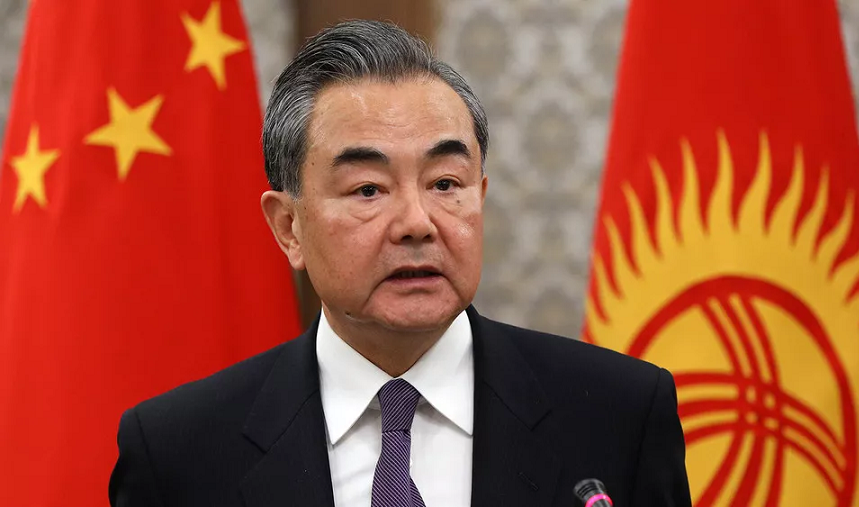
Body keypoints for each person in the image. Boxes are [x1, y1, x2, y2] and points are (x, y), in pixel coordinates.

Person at [108, 19, 691, 507]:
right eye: (368, 189)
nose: (417, 222)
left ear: (481, 196)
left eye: (445, 183)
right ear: (289, 227)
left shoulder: (619, 414)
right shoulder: (177, 452)